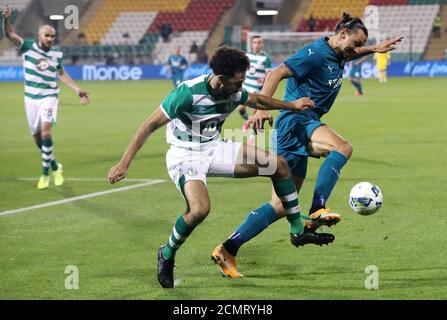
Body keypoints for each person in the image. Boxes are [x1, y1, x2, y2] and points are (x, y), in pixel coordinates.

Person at [108, 46, 335, 288]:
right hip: (185, 156)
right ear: (219, 78)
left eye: (242, 82)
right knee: (199, 210)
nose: (240, 88)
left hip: (214, 148)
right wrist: (124, 163)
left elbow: (257, 98)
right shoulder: (186, 94)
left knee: (278, 165)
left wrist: (292, 105)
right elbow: (148, 126)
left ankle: (298, 230)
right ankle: (167, 254)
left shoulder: (233, 90)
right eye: (237, 83)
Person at [212, 13, 402, 276]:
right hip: (296, 121)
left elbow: (349, 54)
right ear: (343, 34)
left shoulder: (338, 53)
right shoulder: (314, 52)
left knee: (280, 205)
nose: (356, 50)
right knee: (342, 148)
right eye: (356, 43)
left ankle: (228, 248)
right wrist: (260, 108)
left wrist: (373, 49)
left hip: (299, 126)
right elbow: (277, 72)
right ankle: (318, 207)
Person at [2, 4, 90, 190]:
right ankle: (55, 166)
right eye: (47, 35)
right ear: (39, 36)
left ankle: (45, 175)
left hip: (49, 96)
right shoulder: (27, 47)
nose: (50, 38)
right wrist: (6, 19)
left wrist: (76, 89)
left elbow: (61, 73)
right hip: (30, 98)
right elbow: (10, 35)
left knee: (46, 132)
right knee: (37, 139)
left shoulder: (57, 54)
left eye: (52, 36)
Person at [238, 35, 272, 145]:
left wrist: (265, 85)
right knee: (240, 109)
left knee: (257, 116)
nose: (257, 45)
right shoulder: (247, 56)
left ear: (262, 44)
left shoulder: (266, 58)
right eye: (255, 42)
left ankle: (252, 136)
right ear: (251, 44)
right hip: (246, 88)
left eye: (259, 42)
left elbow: (268, 75)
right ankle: (248, 120)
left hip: (258, 91)